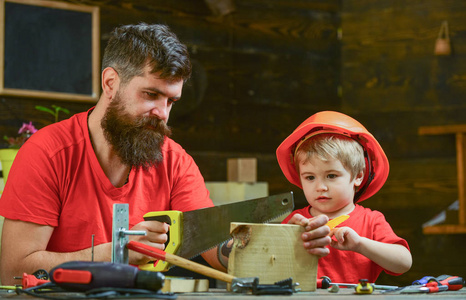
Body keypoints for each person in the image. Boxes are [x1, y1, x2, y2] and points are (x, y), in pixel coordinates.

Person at [0, 23, 332, 285]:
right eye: (151, 95)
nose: (162, 113)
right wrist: (117, 252)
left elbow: (214, 246)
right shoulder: (47, 153)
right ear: (111, 82)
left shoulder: (173, 160)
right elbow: (13, 272)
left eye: (171, 101)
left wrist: (281, 241)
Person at [276, 111, 412, 284]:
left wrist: (360, 244)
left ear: (358, 176)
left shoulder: (371, 221)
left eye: (331, 176)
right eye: (310, 177)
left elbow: (404, 262)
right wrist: (290, 240)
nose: (320, 187)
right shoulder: (295, 222)